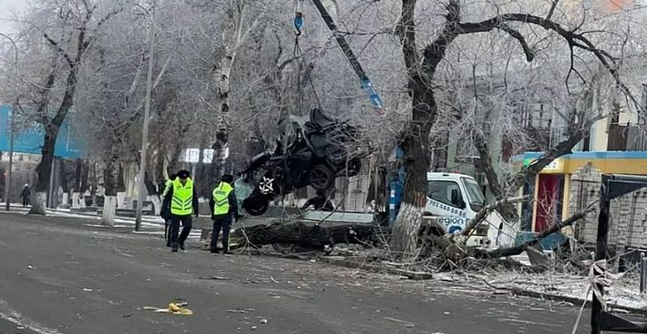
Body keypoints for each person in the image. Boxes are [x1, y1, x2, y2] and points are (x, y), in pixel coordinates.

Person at [162, 170, 198, 252]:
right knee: (175, 228)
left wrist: (196, 209)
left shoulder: (191, 184)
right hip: (175, 210)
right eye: (181, 179)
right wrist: (164, 209)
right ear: (179, 178)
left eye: (184, 179)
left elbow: (194, 197)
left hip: (187, 210)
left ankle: (181, 240)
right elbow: (167, 197)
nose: (183, 180)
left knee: (188, 226)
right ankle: (174, 244)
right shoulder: (174, 184)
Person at [209, 174, 239, 254]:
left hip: (217, 213)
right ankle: (225, 249)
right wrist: (236, 215)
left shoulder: (215, 190)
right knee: (226, 232)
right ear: (231, 181)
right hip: (226, 214)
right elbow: (234, 203)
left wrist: (213, 212)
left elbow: (211, 202)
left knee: (215, 231)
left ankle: (213, 247)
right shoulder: (230, 190)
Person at [160, 174, 177, 247]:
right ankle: (170, 239)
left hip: (167, 205)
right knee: (172, 224)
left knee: (168, 224)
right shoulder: (173, 185)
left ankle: (168, 238)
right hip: (172, 206)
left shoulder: (168, 183)